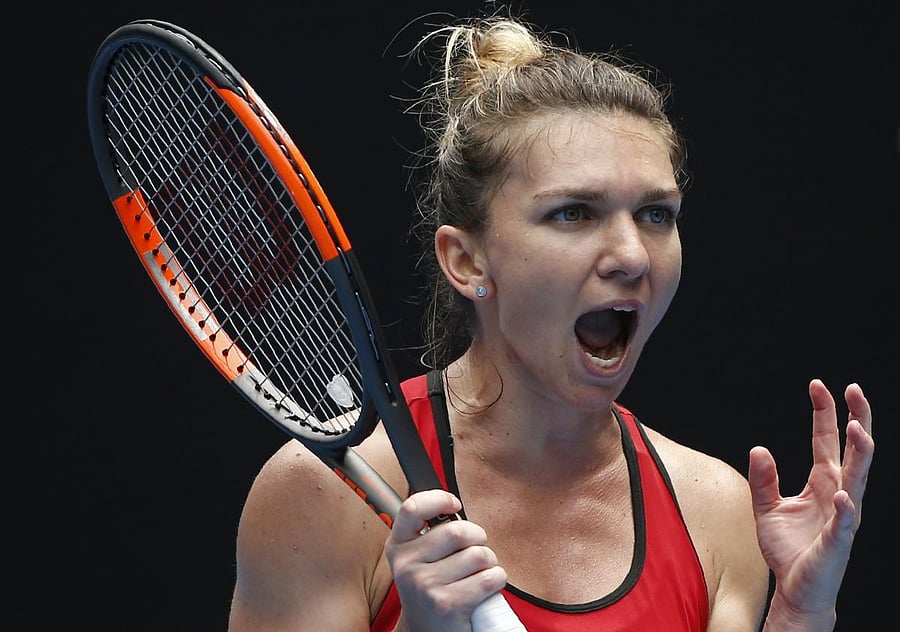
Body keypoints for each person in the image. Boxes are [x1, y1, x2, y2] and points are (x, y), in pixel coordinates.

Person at [227, 12, 874, 632]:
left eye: (656, 214)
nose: (630, 255)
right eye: (573, 213)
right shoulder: (325, 497)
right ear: (466, 258)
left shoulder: (715, 509)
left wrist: (799, 617)